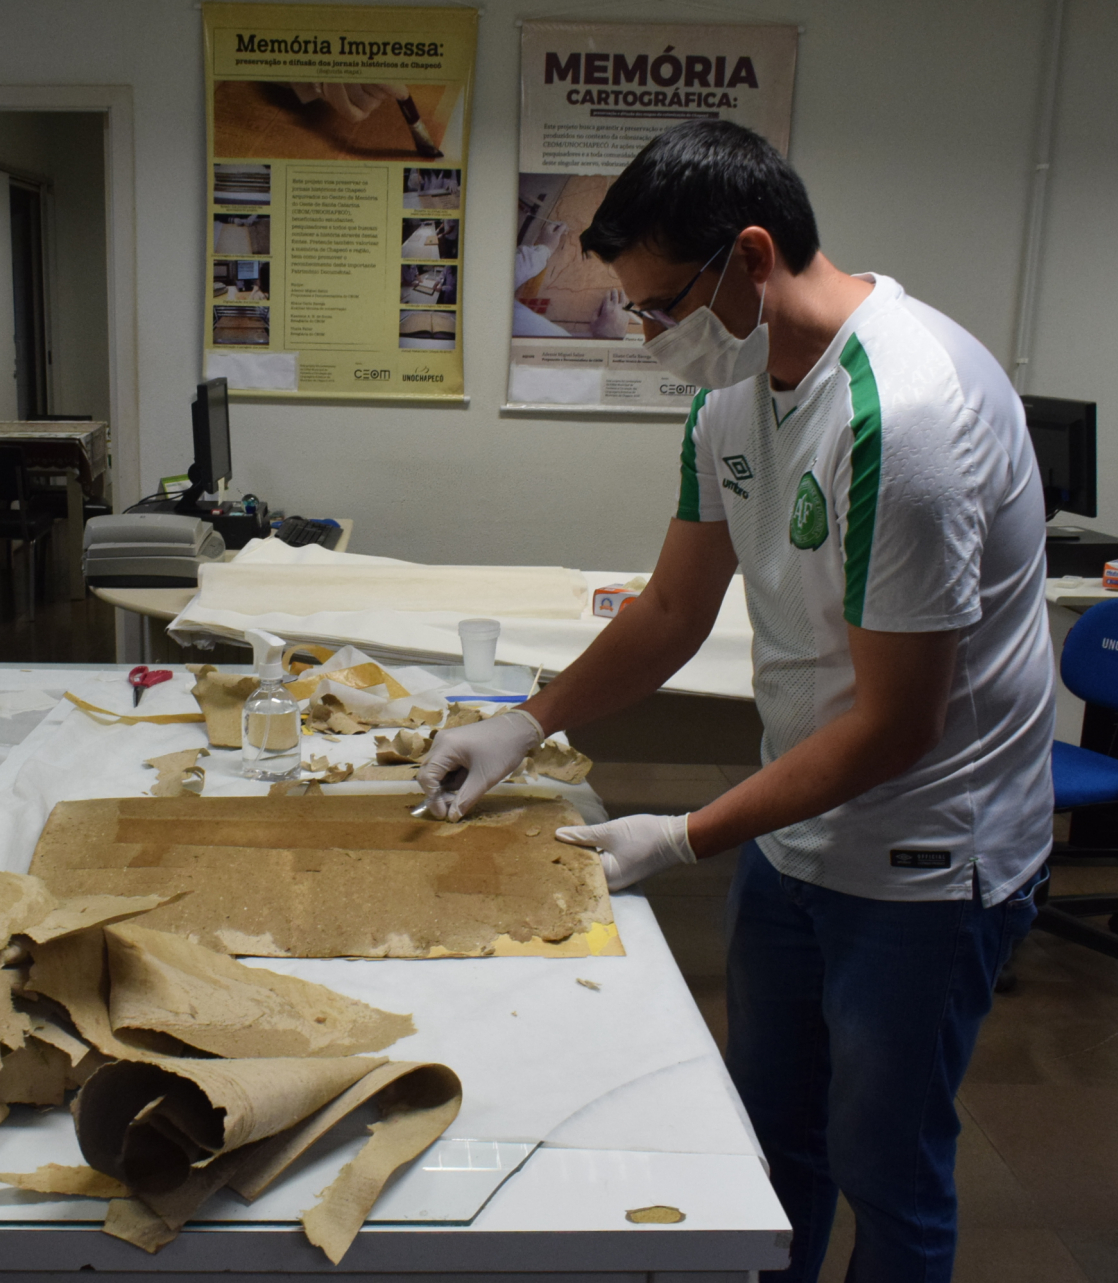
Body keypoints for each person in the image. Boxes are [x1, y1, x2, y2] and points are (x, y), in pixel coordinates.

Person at [418, 119, 1054, 1283]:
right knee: (767, 1146)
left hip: (925, 855)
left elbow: (898, 723)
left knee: (888, 1166)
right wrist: (525, 719)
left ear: (751, 257)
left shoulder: (906, 415)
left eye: (660, 306)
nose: (648, 336)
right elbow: (672, 609)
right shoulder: (732, 398)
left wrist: (684, 835)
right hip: (796, 824)